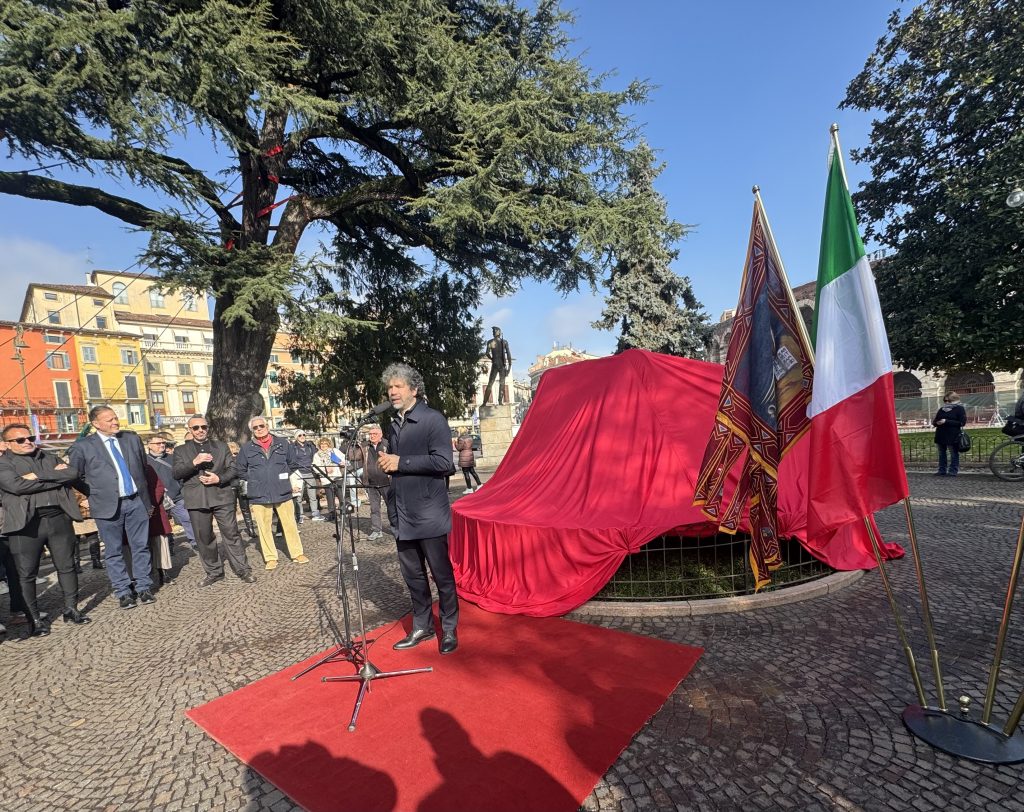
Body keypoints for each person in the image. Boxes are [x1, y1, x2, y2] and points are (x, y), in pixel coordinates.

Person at [378, 363, 459, 655]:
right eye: (390, 387)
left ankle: (449, 628)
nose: (392, 391)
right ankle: (422, 626)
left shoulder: (433, 420)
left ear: (414, 389)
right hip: (402, 514)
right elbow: (399, 462)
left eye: (398, 386)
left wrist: (402, 462)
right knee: (413, 577)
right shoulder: (394, 423)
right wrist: (388, 462)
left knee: (441, 575)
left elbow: (444, 463)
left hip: (429, 514)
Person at [0, 424, 90, 634]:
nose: (27, 442)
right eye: (20, 440)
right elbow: (16, 486)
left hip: (58, 519)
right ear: (7, 444)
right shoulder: (4, 463)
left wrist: (34, 476)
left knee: (67, 566)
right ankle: (34, 620)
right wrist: (54, 477)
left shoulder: (48, 456)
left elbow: (72, 473)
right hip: (26, 525)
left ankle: (71, 609)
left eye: (29, 437)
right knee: (27, 574)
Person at [68, 406, 156, 609]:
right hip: (107, 506)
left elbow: (142, 468)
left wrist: (146, 500)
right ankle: (123, 591)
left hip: (135, 501)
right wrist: (92, 494)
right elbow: (76, 476)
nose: (115, 422)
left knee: (140, 546)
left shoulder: (131, 439)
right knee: (113, 551)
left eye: (116, 418)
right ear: (95, 424)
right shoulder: (83, 447)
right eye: (109, 420)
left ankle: (144, 586)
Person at [172, 415, 257, 586]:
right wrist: (194, 463)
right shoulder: (181, 451)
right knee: (203, 537)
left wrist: (219, 478)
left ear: (208, 428)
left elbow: (233, 468)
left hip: (221, 495)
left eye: (203, 427)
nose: (200, 430)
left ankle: (243, 569)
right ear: (190, 430)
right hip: (197, 499)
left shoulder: (220, 446)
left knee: (231, 533)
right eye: (196, 428)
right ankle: (214, 571)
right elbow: (176, 474)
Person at [235, 416, 308, 570]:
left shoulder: (282, 443)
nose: (259, 429)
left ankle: (297, 553)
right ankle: (270, 558)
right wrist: (255, 479)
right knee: (264, 528)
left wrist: (281, 475)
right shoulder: (246, 448)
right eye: (255, 427)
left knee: (290, 524)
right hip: (259, 493)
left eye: (261, 425)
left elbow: (293, 464)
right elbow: (240, 469)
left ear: (267, 426)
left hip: (282, 490)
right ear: (252, 430)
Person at [146, 435, 197, 550]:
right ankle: (168, 546)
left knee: (187, 518)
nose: (162, 445)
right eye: (158, 443)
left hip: (177, 496)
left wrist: (180, 487)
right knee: (162, 524)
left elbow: (181, 473)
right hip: (157, 499)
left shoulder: (172, 458)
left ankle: (195, 542)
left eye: (163, 442)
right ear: (149, 445)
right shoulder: (144, 461)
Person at [363, 424, 390, 540]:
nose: (372, 436)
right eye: (370, 434)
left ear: (381, 435)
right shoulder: (364, 447)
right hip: (371, 483)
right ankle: (376, 530)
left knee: (392, 507)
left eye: (375, 434)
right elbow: (354, 458)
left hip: (387, 481)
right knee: (374, 508)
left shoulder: (387, 445)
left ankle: (396, 528)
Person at [933, 391, 967, 477]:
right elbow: (935, 421)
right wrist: (937, 423)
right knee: (941, 453)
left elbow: (962, 423)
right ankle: (942, 470)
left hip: (953, 435)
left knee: (953, 453)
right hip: (940, 434)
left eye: (949, 401)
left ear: (954, 400)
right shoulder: (941, 409)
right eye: (945, 401)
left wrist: (946, 421)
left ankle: (953, 471)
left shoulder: (959, 409)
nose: (946, 402)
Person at [291, 431, 321, 523]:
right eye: (300, 435)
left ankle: (315, 514)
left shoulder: (310, 446)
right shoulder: (292, 447)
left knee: (312, 495)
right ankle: (300, 515)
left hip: (310, 472)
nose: (302, 436)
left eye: (304, 435)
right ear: (296, 437)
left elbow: (317, 456)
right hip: (298, 473)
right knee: (298, 496)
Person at [312, 437, 342, 522]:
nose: (323, 445)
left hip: (336, 476)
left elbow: (342, 459)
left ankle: (344, 512)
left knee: (340, 495)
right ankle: (332, 514)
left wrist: (340, 463)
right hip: (326, 478)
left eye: (325, 444)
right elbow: (315, 467)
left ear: (328, 444)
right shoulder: (317, 455)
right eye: (322, 444)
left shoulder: (334, 451)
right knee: (330, 497)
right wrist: (325, 470)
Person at [482, 326, 512, 405]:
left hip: (495, 363)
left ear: (497, 332)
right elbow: (508, 355)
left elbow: (487, 353)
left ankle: (484, 402)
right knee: (502, 383)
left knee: (490, 383)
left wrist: (492, 358)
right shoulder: (504, 342)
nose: (493, 333)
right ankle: (500, 402)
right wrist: (509, 367)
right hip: (502, 364)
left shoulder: (490, 342)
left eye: (493, 331)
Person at [455, 427, 482, 493]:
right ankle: (479, 484)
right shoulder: (470, 438)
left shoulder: (460, 438)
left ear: (460, 432)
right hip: (470, 454)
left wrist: (455, 443)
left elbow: (459, 448)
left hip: (464, 456)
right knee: (472, 471)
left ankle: (469, 488)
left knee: (466, 472)